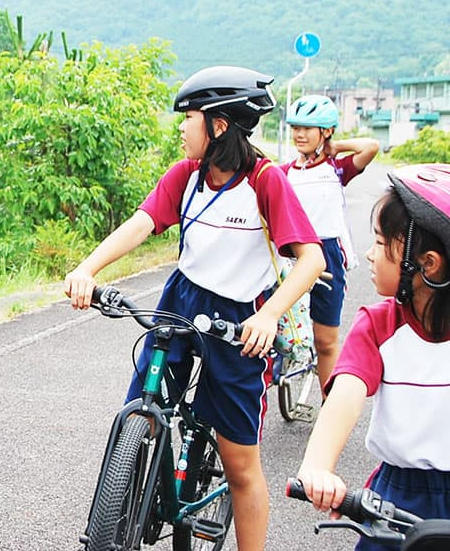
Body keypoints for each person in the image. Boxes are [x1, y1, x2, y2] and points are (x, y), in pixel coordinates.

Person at [65, 66, 325, 551]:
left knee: (240, 465)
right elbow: (142, 223)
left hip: (241, 321)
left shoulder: (265, 181)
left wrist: (268, 316)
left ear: (219, 125)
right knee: (139, 415)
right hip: (181, 301)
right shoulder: (186, 175)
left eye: (190, 118)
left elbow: (312, 259)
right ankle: (118, 515)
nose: (182, 128)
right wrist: (87, 268)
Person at [297, 164, 450, 550]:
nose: (369, 253)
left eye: (380, 243)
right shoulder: (378, 325)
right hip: (398, 498)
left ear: (428, 263)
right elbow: (345, 397)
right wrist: (317, 466)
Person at [283, 95, 380, 392]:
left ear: (326, 131)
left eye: (308, 128)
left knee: (325, 341)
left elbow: (371, 146)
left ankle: (329, 403)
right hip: (291, 253)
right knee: (279, 329)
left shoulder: (337, 167)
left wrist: (336, 147)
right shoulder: (284, 172)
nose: (299, 134)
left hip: (328, 255)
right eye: (296, 127)